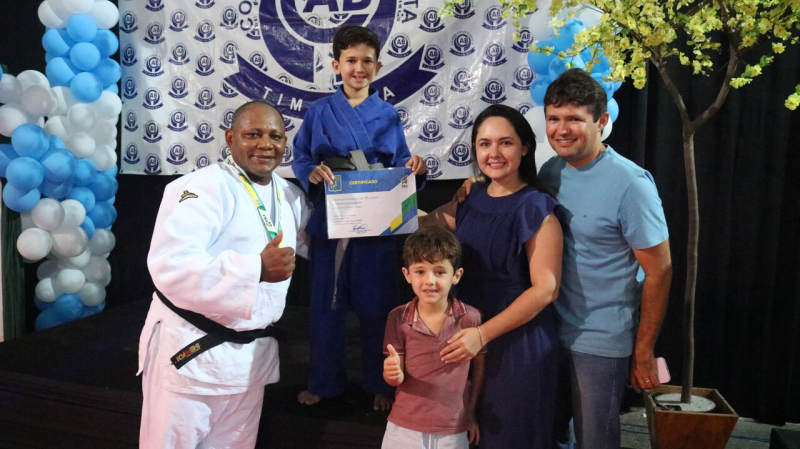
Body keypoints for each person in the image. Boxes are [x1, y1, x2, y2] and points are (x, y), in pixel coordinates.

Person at [137, 100, 309, 448]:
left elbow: (325, 240)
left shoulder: (291, 196)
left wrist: (403, 218)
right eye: (253, 134)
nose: (265, 144)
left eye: (275, 136)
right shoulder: (200, 187)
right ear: (230, 139)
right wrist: (256, 269)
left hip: (248, 363)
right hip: (192, 354)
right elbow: (171, 265)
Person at [291, 25, 426, 410]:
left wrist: (415, 168)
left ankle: (381, 383)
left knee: (377, 308)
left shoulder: (387, 114)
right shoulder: (319, 112)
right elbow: (301, 157)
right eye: (350, 60)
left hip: (376, 221)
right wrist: (310, 172)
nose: (359, 68)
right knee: (326, 308)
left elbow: (401, 164)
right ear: (336, 65)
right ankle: (324, 381)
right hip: (333, 220)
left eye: (367, 61)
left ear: (378, 66)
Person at [537, 68, 673, 449]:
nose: (562, 129)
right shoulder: (551, 170)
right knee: (547, 436)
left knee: (595, 441)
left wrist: (643, 351)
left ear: (601, 121)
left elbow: (660, 271)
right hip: (549, 331)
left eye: (574, 119)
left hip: (601, 342)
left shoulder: (631, 184)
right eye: (553, 118)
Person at [420, 104, 563, 448]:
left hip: (515, 343)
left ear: (525, 147)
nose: (493, 153)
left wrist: (482, 335)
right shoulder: (470, 198)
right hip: (464, 335)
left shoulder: (536, 206)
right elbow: (419, 223)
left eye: (505, 143)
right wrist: (375, 193)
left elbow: (546, 289)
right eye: (484, 144)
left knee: (507, 436)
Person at [382, 227, 485, 449]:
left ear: (456, 275)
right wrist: (391, 374)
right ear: (407, 275)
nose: (430, 280)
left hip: (452, 430)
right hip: (403, 428)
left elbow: (479, 367)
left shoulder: (470, 318)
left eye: (439, 272)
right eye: (420, 271)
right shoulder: (397, 318)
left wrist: (471, 413)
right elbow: (395, 375)